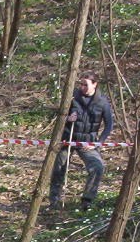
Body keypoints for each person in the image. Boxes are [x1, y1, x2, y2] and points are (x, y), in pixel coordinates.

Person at [48, 71, 113, 211]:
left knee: (97, 167)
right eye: (81, 84)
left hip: (88, 143)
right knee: (59, 168)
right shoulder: (72, 98)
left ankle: (87, 201)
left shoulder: (102, 102)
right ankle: (54, 200)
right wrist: (67, 119)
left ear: (95, 85)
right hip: (69, 139)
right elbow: (59, 118)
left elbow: (109, 125)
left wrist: (98, 142)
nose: (82, 87)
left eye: (86, 84)